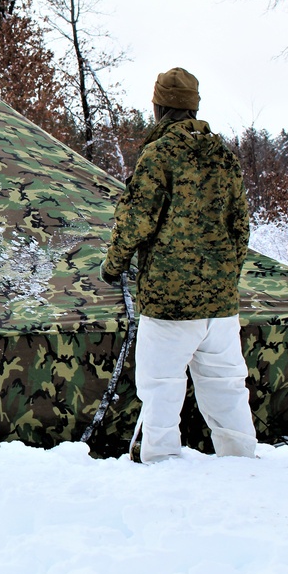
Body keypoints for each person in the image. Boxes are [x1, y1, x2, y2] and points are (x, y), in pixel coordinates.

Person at [100, 67, 256, 464]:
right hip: (220, 305)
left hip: (169, 304)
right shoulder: (223, 155)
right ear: (193, 107)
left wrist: (112, 265)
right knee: (227, 387)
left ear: (158, 107)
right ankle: (244, 466)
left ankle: (161, 467)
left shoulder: (159, 156)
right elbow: (241, 226)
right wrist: (224, 277)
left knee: (161, 388)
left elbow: (136, 219)